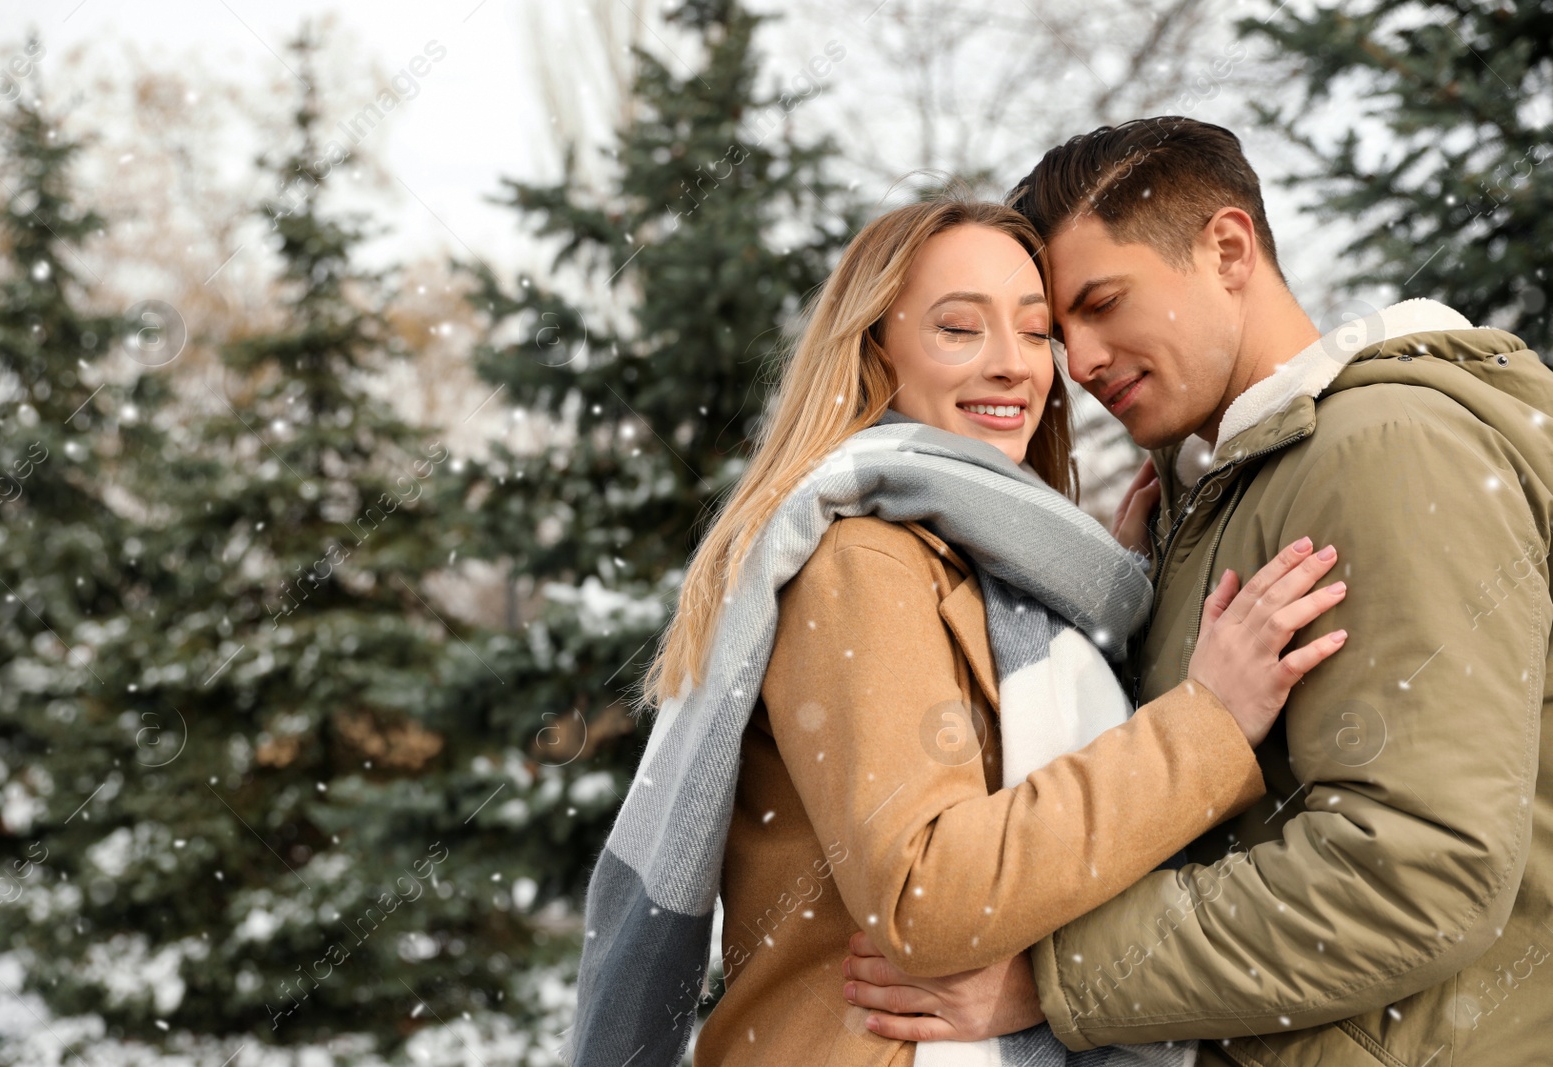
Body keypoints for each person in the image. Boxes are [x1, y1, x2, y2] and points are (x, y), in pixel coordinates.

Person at [566, 193, 1350, 1067]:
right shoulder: (864, 559)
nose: (1015, 365)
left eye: (1032, 329)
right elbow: (925, 893)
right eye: (959, 329)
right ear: (876, 352)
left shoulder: (991, 576)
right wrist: (1206, 726)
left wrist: (1092, 611)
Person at [840, 117, 1553, 1067]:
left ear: (1227, 249)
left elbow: (1415, 868)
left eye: (1103, 303)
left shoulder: (1385, 449)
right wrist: (1117, 606)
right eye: (1066, 329)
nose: (1079, 363)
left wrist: (1048, 981)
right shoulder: (1220, 487)